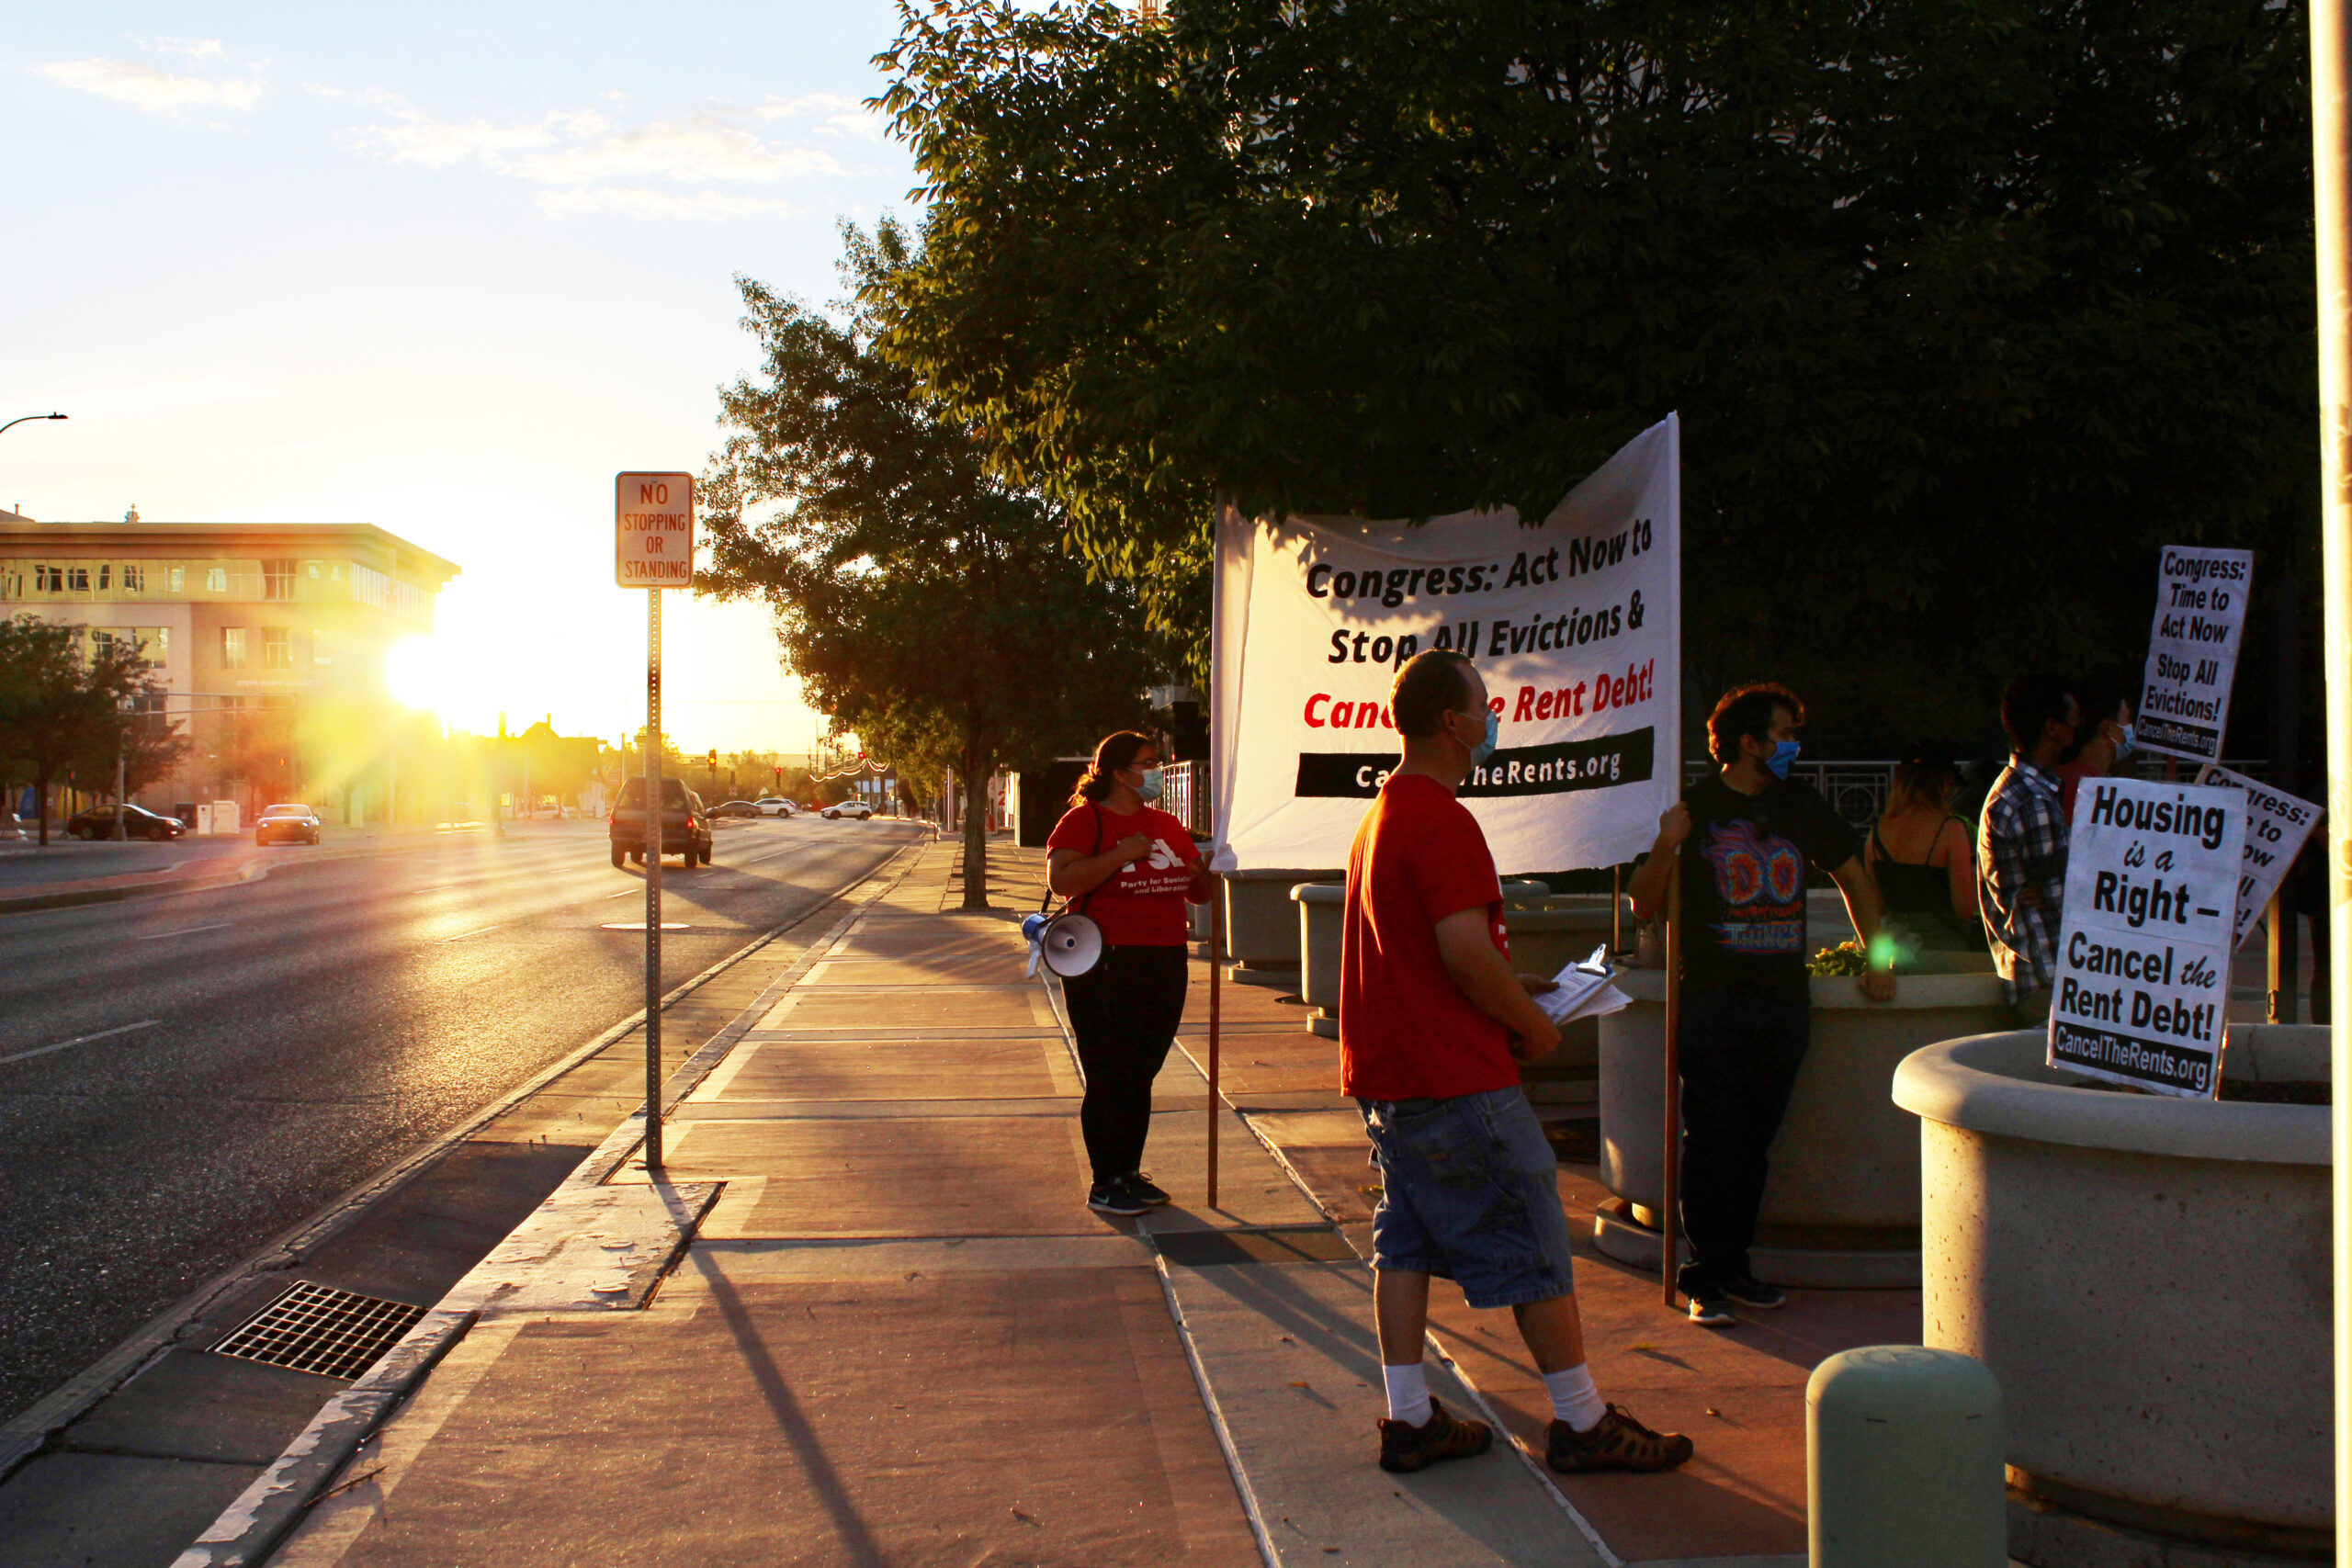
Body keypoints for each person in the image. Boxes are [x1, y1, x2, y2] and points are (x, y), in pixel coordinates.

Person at [1344, 649, 1692, 1478]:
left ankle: (1411, 1416)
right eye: (1483, 705)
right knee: (1536, 1239)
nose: (1492, 717)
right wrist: (1534, 1022)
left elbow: (1431, 954)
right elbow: (1462, 949)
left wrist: (1515, 984)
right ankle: (1580, 1421)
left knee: (1407, 1242)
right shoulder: (1441, 817)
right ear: (1451, 722)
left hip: (1397, 1078)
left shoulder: (1385, 813)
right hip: (1456, 1078)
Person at [1626, 682, 1896, 1327]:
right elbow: (1642, 902)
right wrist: (1668, 842)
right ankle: (1705, 1274)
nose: (1793, 746)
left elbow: (1854, 876)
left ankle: (1735, 1263)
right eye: (1783, 733)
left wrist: (1878, 955)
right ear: (1750, 742)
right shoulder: (1695, 807)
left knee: (1752, 1142)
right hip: (1713, 1002)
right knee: (1712, 1138)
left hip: (1780, 1004)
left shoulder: (1798, 802)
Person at [1046, 731, 1215, 1217]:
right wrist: (1124, 853)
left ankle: (1129, 1172)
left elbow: (1195, 893)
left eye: (1157, 761)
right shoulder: (1085, 821)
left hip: (1163, 958)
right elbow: (1062, 881)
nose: (1157, 771)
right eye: (1148, 763)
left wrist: (1206, 874)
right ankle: (1105, 1180)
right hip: (1104, 960)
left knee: (1142, 1070)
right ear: (1119, 772)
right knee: (1109, 1071)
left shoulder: (1166, 823)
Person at [1978, 674, 2081, 1025]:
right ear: (2052, 727)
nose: (2077, 728)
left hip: (2035, 975)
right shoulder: (2033, 800)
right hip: (2049, 977)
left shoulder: (2015, 788)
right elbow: (2064, 897)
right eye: (2073, 719)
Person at [1865, 741, 1981, 954]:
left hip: (1895, 949)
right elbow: (1964, 909)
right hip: (1943, 950)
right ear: (1943, 781)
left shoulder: (1877, 831)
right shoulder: (1950, 829)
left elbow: (1877, 905)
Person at [2056, 681, 2137, 823]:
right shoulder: (2084, 788)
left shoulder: (2066, 778)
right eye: (2127, 720)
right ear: (2108, 729)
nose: (2132, 728)